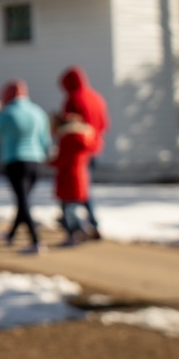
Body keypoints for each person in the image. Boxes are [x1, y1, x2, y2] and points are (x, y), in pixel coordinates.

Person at [0, 80, 53, 254]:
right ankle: (11, 235)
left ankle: (36, 241)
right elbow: (46, 141)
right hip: (36, 162)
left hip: (15, 161)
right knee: (23, 202)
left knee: (23, 202)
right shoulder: (38, 112)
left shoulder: (7, 113)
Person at [59, 65, 108, 240]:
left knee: (71, 189)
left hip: (77, 151)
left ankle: (73, 226)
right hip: (93, 148)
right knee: (83, 188)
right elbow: (104, 124)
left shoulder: (73, 99)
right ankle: (92, 224)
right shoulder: (96, 98)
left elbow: (69, 128)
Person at [51, 112, 96, 246]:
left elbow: (62, 159)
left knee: (68, 208)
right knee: (75, 205)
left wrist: (49, 161)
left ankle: (75, 232)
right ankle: (87, 227)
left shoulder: (67, 139)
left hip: (68, 176)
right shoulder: (86, 137)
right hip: (81, 175)